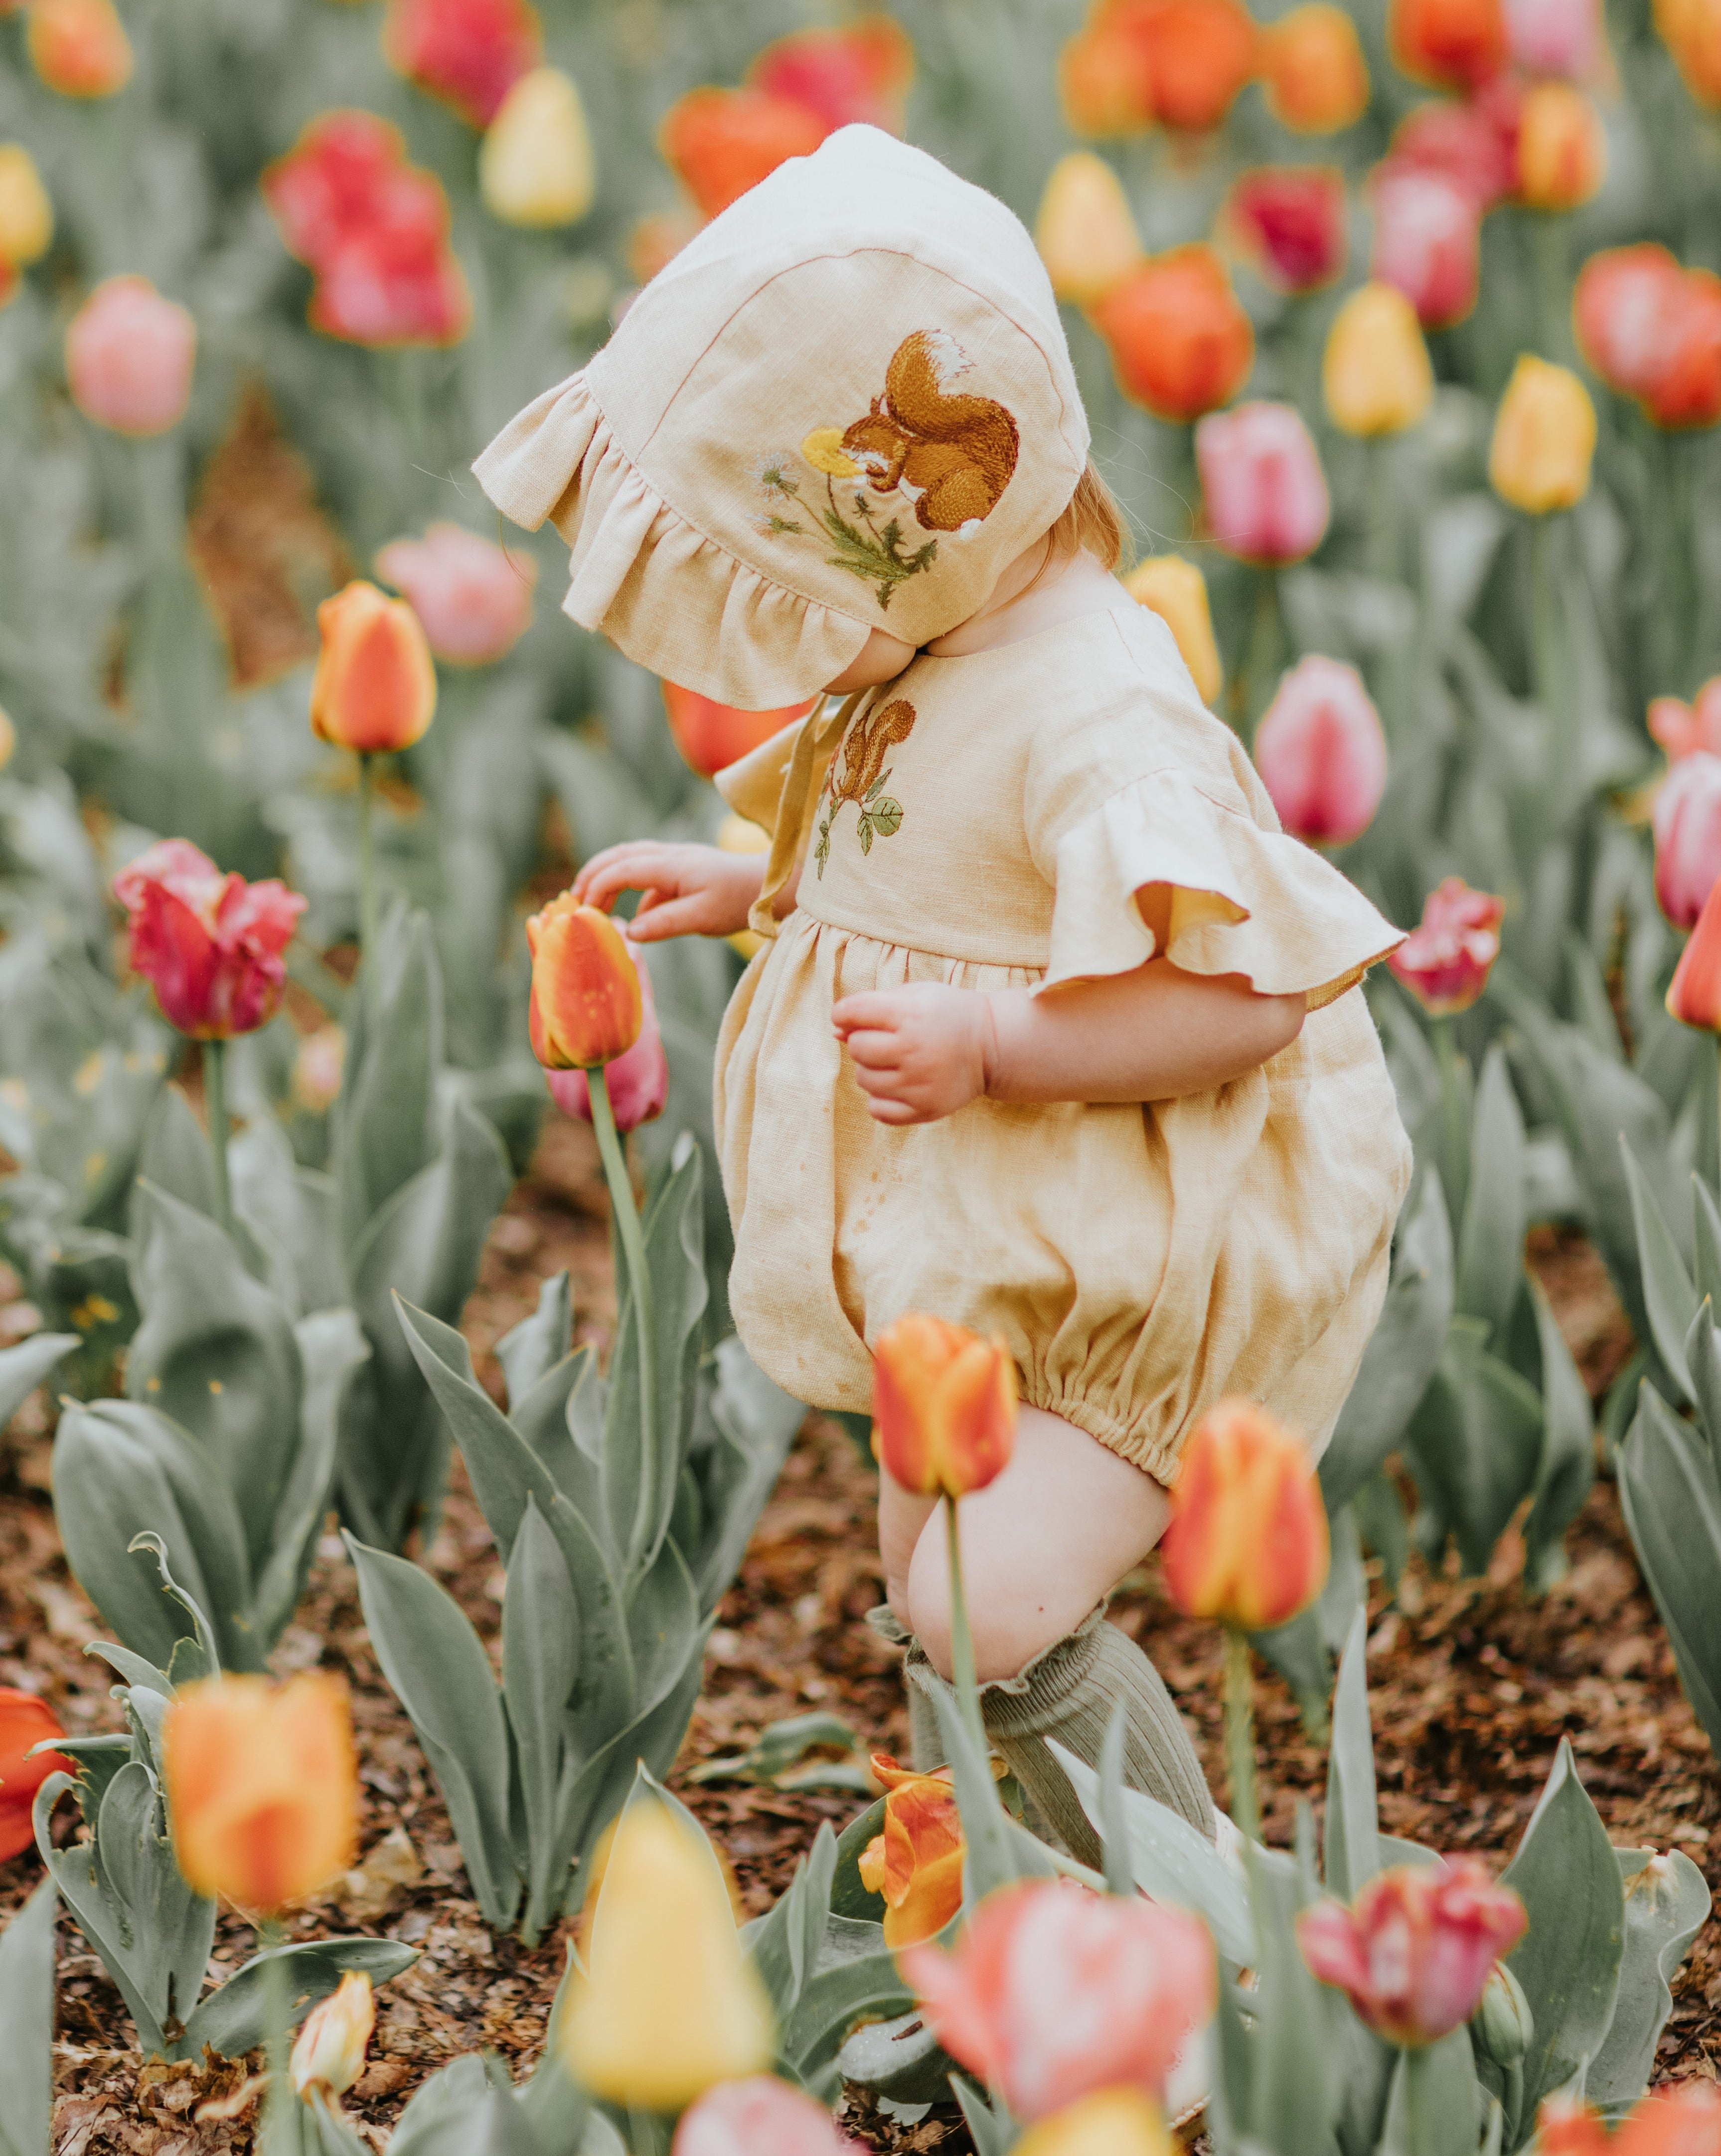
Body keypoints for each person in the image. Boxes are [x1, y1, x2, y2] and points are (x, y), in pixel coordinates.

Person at [474, 125, 1411, 1856]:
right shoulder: (949, 639)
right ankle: (1064, 1897)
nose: (786, 666)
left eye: (795, 618)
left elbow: (1249, 1002)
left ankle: (1209, 1915)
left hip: (1128, 1275)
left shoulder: (1097, 712)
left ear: (928, 533)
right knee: (938, 1595)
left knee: (986, 1609)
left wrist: (995, 1043)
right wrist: (759, 881)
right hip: (979, 1254)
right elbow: (924, 864)